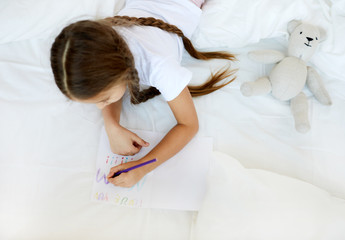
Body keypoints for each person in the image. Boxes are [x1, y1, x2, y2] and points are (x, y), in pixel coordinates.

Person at [50, 0, 236, 188]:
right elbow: (112, 84)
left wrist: (142, 166)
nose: (101, 106)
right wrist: (112, 125)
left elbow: (189, 125)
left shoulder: (160, 68)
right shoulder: (103, 39)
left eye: (103, 99)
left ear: (120, 73)